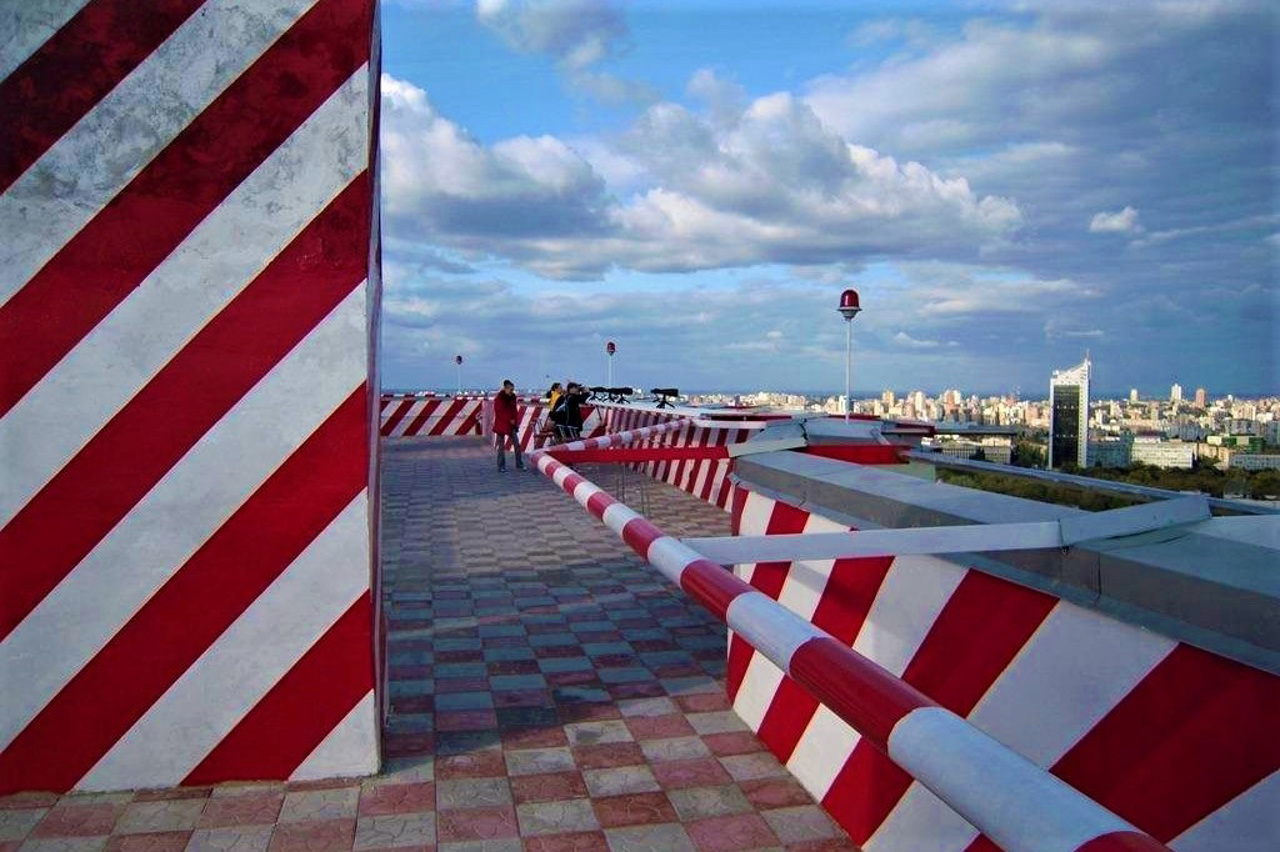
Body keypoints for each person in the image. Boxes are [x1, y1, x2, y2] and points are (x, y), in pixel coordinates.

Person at [493, 379, 524, 471]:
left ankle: (519, 464)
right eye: (510, 390)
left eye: (513, 390)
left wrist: (515, 421)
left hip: (512, 425)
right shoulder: (499, 398)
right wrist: (509, 420)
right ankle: (501, 466)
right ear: (506, 389)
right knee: (501, 446)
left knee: (517, 445)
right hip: (501, 424)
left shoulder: (513, 397)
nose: (512, 392)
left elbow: (514, 410)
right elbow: (499, 412)